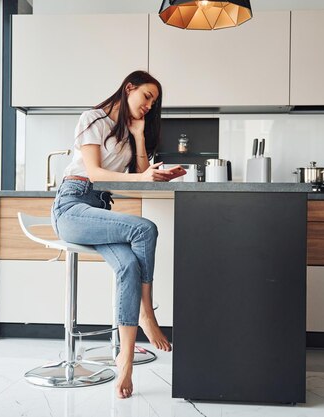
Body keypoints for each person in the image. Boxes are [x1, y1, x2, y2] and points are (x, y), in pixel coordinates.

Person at [51, 70, 183, 399]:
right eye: (147, 97)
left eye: (155, 102)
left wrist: (139, 137)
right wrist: (145, 177)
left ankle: (125, 359)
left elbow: (138, 176)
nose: (150, 105)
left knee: (128, 266)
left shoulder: (127, 134)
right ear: (129, 88)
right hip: (71, 207)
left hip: (98, 213)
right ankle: (147, 314)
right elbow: (94, 173)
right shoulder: (93, 119)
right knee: (145, 228)